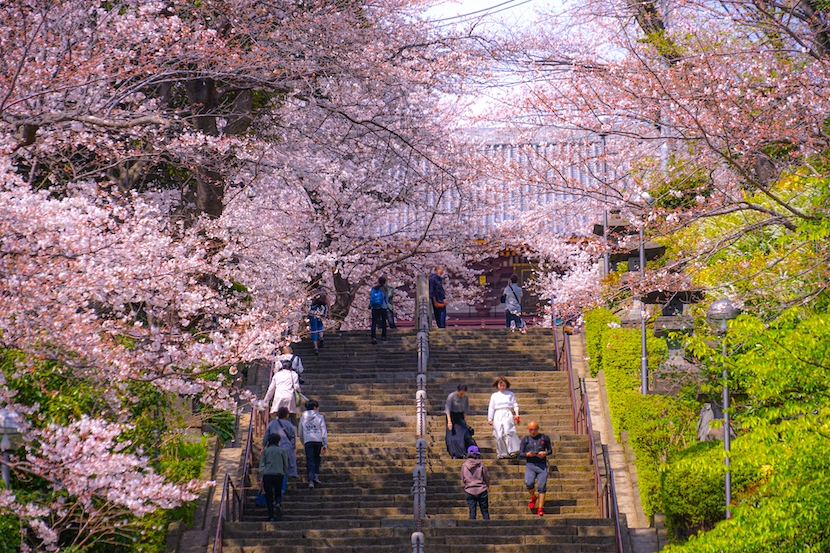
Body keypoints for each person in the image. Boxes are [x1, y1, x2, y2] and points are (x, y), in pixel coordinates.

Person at [519, 421, 553, 516]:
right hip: (531, 464)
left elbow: (550, 450)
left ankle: (540, 508)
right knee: (529, 483)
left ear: (538, 429)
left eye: (535, 429)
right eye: (531, 429)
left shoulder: (544, 438)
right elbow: (520, 453)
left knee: (542, 487)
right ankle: (533, 497)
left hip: (542, 465)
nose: (533, 431)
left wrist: (545, 453)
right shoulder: (525, 439)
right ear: (528, 430)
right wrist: (527, 454)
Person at [263, 407, 298, 497]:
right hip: (286, 448)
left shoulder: (271, 423)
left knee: (272, 467)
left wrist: (263, 447)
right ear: (286, 415)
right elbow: (293, 439)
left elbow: (266, 435)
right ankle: (282, 489)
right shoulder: (289, 425)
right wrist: (294, 451)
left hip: (272, 449)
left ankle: (272, 489)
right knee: (284, 469)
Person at [262, 354, 303, 422]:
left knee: (278, 414)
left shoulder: (277, 375)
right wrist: (299, 392)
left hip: (279, 396)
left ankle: (278, 428)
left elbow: (271, 389)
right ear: (291, 367)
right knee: (291, 415)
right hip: (290, 396)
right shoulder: (294, 374)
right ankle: (292, 429)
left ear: (282, 367)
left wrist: (266, 400)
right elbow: (297, 387)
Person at [487, 377, 520, 459]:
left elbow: (515, 405)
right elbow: (491, 407)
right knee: (499, 434)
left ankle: (512, 450)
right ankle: (502, 453)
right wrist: (490, 418)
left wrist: (517, 414)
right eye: (500, 385)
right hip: (498, 414)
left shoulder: (510, 394)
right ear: (497, 385)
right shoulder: (494, 396)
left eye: (504, 385)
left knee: (508, 431)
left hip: (507, 413)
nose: (502, 387)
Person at [298, 399, 328, 488]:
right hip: (318, 440)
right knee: (317, 458)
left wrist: (303, 441)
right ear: (315, 408)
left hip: (308, 440)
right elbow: (324, 430)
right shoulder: (319, 417)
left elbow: (300, 432)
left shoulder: (303, 417)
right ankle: (315, 475)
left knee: (309, 459)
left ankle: (310, 479)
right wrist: (325, 443)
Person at [259, 433, 289, 521]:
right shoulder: (282, 451)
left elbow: (262, 466)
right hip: (278, 474)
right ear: (277, 442)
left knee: (268, 496)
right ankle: (278, 503)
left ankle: (271, 516)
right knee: (278, 492)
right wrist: (283, 473)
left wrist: (261, 477)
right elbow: (285, 465)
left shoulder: (265, 451)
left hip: (267, 475)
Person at [461, 445, 491, 520]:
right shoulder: (481, 464)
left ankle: (471, 528)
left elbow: (463, 478)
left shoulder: (464, 465)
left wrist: (467, 484)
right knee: (485, 511)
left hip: (469, 490)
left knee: (472, 511)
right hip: (482, 489)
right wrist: (487, 485)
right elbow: (486, 476)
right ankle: (488, 528)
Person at [445, 384, 473, 459]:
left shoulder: (465, 397)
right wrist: (449, 422)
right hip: (452, 416)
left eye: (463, 393)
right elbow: (447, 409)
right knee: (453, 435)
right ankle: (454, 453)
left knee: (463, 434)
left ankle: (463, 451)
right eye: (461, 393)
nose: (462, 395)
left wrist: (465, 421)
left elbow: (465, 410)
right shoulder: (451, 396)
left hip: (460, 416)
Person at [369, 276, 388, 344]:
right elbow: (386, 299)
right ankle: (383, 336)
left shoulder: (374, 288)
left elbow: (370, 297)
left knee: (374, 322)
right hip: (383, 307)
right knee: (383, 322)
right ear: (385, 282)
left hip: (375, 307)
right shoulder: (384, 289)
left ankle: (373, 337)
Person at [309, 288, 328, 354]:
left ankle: (316, 347)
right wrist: (328, 312)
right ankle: (321, 337)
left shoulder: (311, 291)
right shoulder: (323, 290)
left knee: (314, 328)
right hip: (322, 309)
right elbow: (327, 300)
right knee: (320, 325)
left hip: (313, 310)